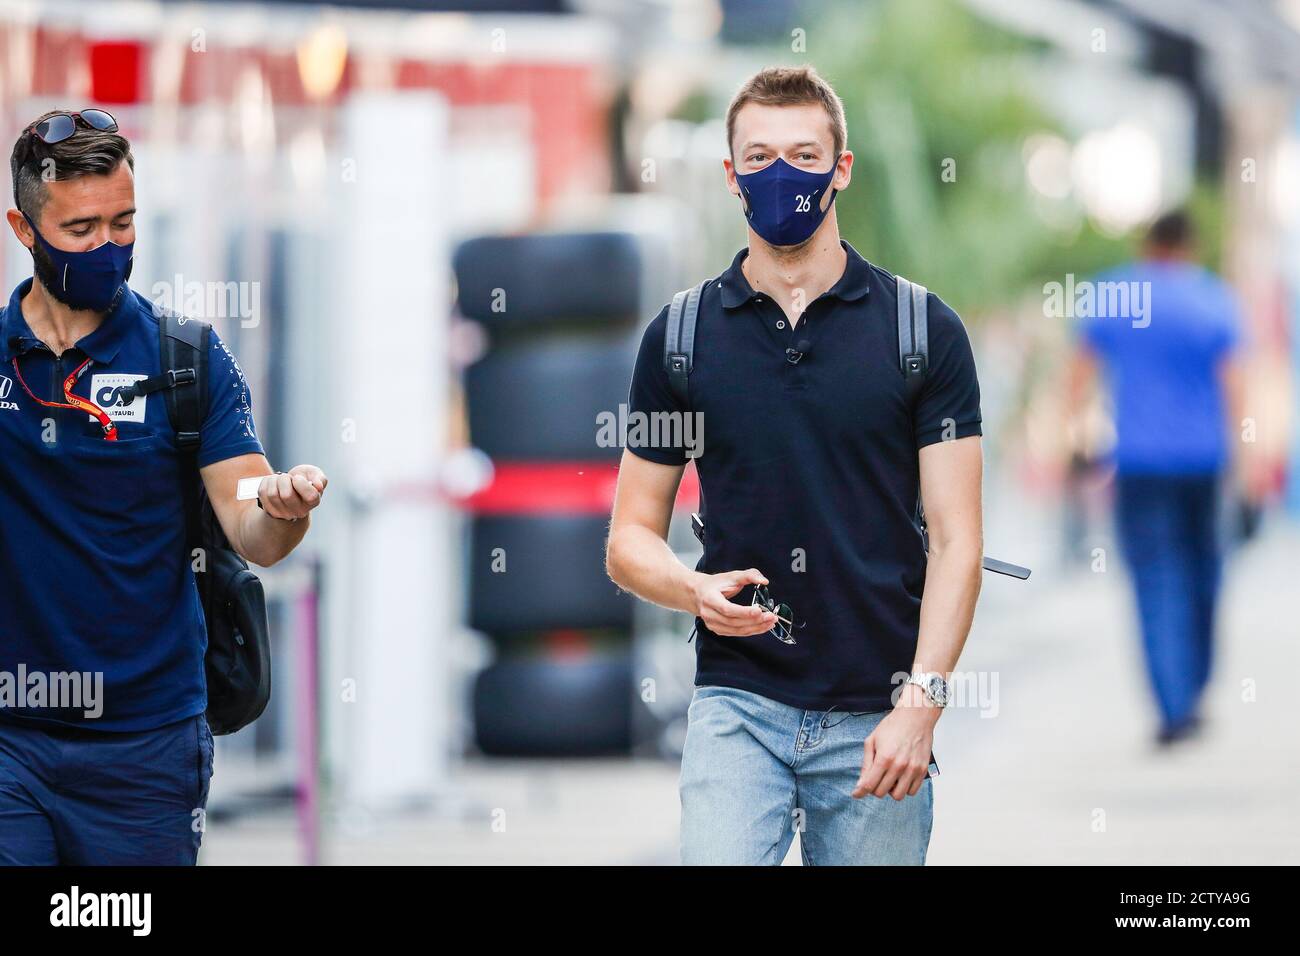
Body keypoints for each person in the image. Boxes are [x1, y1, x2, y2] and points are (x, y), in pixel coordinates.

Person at [605, 67, 984, 865]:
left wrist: (923, 702)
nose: (783, 175)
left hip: (877, 715)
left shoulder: (922, 333)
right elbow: (629, 538)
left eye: (806, 155)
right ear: (732, 175)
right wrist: (693, 589)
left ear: (841, 167)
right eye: (761, 156)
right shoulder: (680, 339)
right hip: (737, 708)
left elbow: (958, 543)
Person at [0, 109, 327, 864]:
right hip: (11, 741)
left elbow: (253, 530)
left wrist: (284, 509)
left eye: (124, 223)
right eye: (81, 230)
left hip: (146, 748)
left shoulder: (186, 359)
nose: (109, 248)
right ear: (25, 229)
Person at [1068, 210, 1245, 746]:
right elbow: (1236, 384)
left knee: (1154, 579)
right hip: (1205, 463)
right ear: (1189, 247)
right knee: (1204, 575)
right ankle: (1193, 690)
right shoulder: (1213, 297)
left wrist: (1076, 444)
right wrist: (1250, 459)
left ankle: (1172, 704)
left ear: (1149, 244)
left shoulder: (1114, 293)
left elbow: (1078, 376)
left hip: (1140, 464)